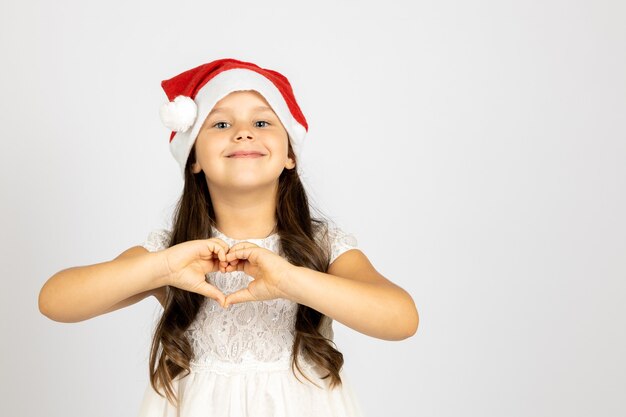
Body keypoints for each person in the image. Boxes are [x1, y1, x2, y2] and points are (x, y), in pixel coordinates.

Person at [38, 57, 419, 416]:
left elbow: (401, 318)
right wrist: (163, 268)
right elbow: (56, 300)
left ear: (290, 155)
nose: (243, 133)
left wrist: (290, 279)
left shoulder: (323, 246)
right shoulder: (173, 254)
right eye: (220, 125)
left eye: (263, 123)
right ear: (194, 159)